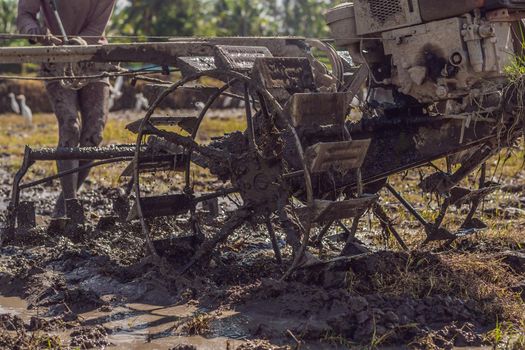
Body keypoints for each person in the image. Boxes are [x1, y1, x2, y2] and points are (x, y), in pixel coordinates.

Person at [17, 0, 117, 218]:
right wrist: (34, 32)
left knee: (95, 131)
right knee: (70, 126)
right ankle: (71, 206)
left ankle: (64, 205)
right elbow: (25, 14)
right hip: (56, 56)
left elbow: (96, 26)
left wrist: (79, 41)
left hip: (93, 56)